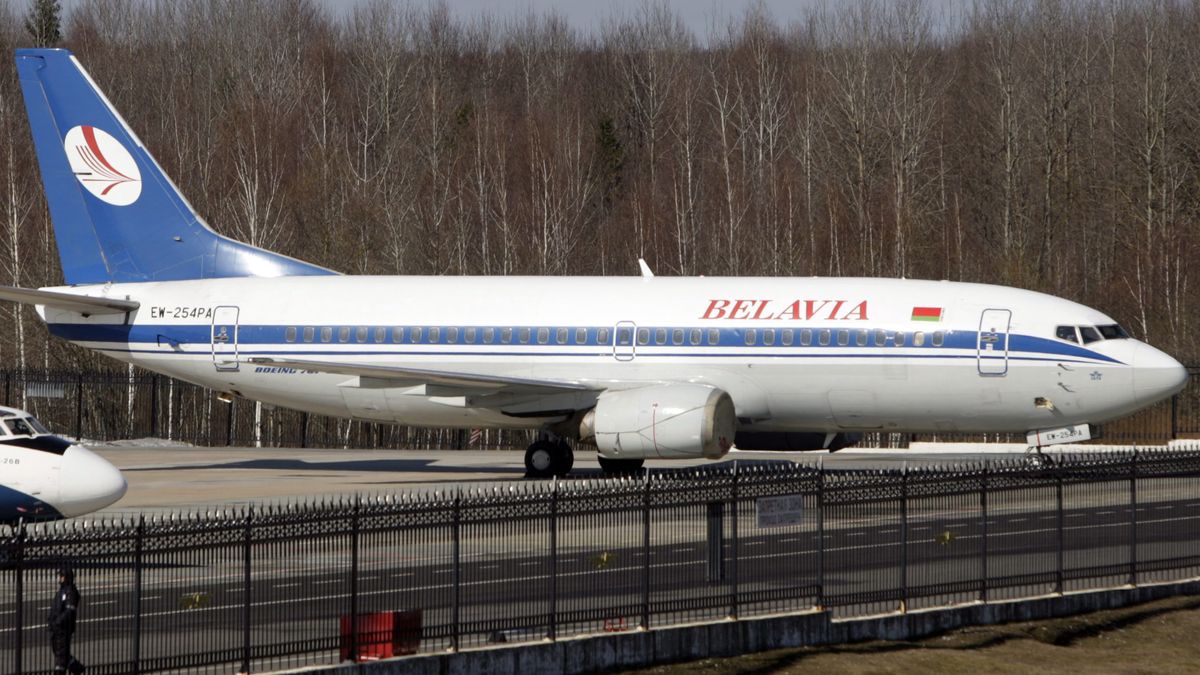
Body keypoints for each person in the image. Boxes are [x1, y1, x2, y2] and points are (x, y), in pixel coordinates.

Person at [47, 567, 84, 674]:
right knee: (60, 653)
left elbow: (69, 610)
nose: (60, 578)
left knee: (61, 657)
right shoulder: (61, 591)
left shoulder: (70, 591)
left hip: (64, 629)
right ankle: (77, 667)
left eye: (62, 576)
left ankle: (61, 671)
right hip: (56, 629)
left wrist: (58, 621)